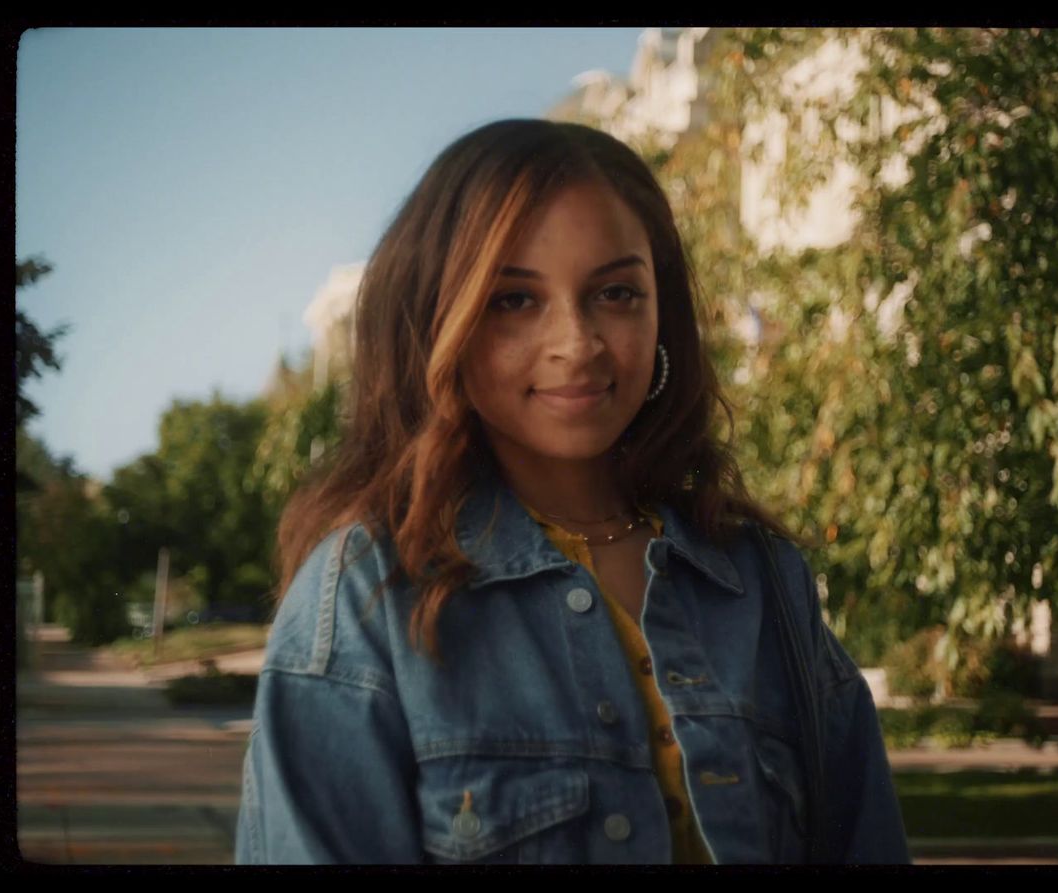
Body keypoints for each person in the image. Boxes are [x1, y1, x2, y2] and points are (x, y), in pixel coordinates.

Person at [235, 118, 911, 865]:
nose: (577, 343)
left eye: (616, 293)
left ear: (664, 312)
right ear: (437, 321)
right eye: (514, 300)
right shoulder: (365, 596)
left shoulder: (761, 583)